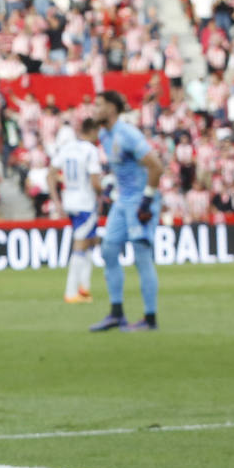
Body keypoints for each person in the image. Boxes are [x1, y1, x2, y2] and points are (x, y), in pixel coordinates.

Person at [90, 91, 163, 332]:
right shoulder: (104, 134)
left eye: (98, 105)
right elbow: (121, 166)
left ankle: (150, 319)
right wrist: (111, 184)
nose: (94, 109)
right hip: (122, 200)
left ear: (112, 108)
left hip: (140, 200)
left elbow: (156, 166)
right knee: (109, 250)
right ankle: (116, 314)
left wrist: (147, 201)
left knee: (141, 256)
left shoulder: (128, 134)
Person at [48, 116, 102, 305]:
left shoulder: (67, 147)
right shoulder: (91, 151)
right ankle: (71, 292)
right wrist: (102, 194)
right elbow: (95, 181)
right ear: (94, 131)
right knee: (80, 245)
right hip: (85, 203)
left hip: (69, 201)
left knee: (88, 242)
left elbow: (50, 174)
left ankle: (83, 288)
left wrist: (56, 201)